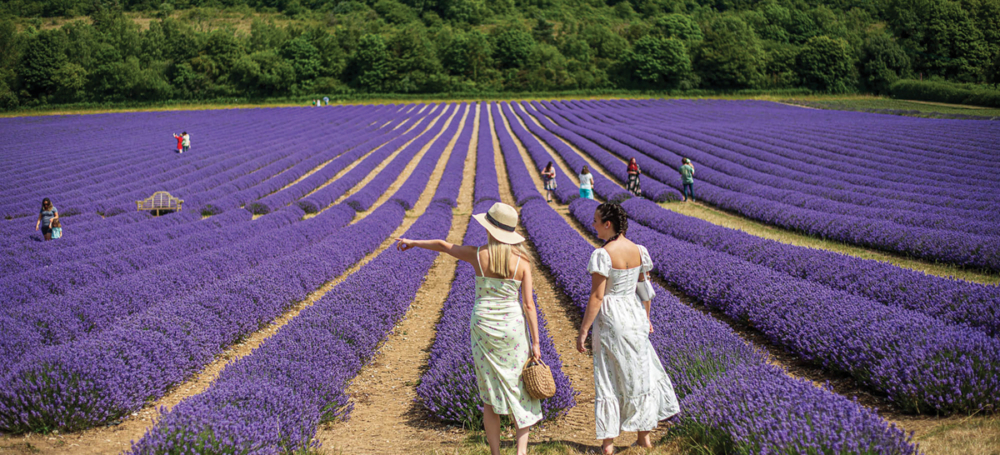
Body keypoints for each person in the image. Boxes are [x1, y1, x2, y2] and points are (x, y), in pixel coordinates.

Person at [396, 202, 542, 455]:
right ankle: (521, 452)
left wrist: (413, 242)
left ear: (490, 229)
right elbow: (529, 305)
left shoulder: (478, 254)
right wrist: (536, 343)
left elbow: (443, 245)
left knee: (489, 393)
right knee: (519, 388)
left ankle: (496, 453)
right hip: (512, 329)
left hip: (483, 325)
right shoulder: (522, 262)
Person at [578, 202, 680, 455]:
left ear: (608, 224)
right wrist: (646, 318)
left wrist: (583, 330)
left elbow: (597, 297)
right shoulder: (639, 250)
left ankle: (608, 445)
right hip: (634, 315)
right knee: (639, 375)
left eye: (596, 221)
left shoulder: (602, 254)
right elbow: (645, 290)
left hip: (613, 316)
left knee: (609, 377)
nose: (593, 225)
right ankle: (644, 439)